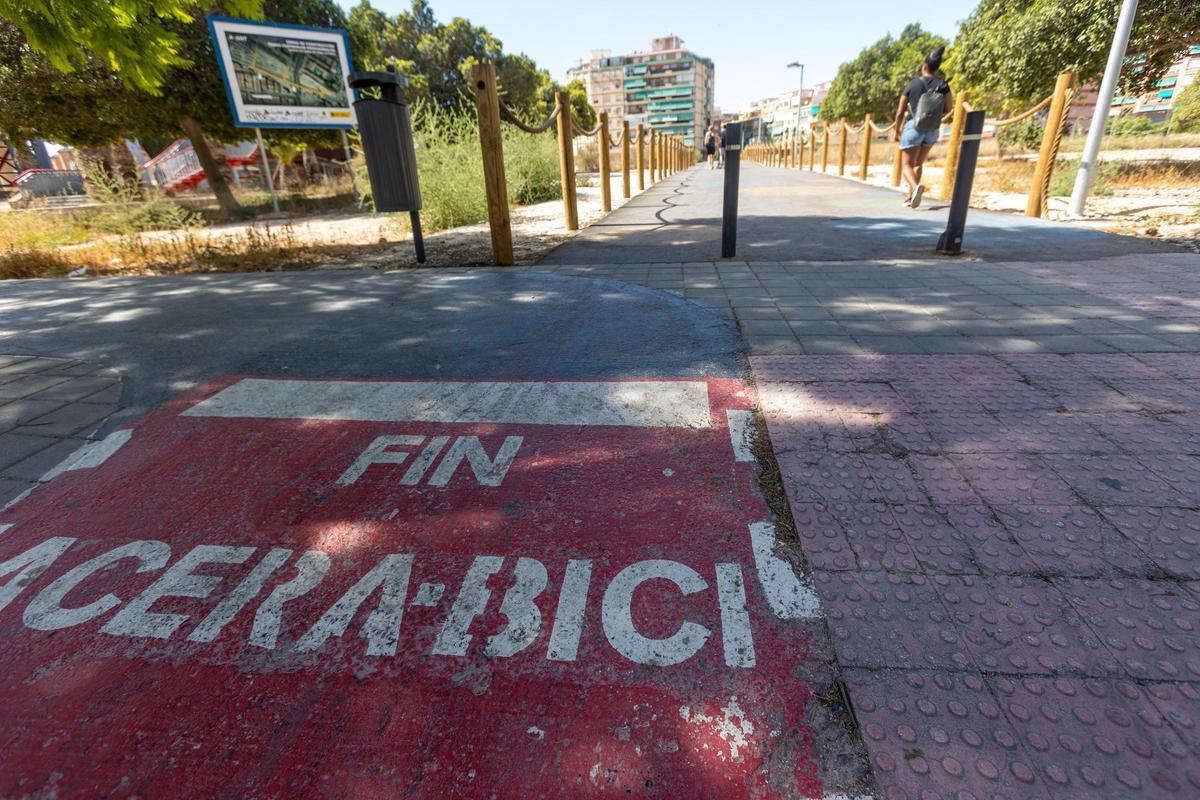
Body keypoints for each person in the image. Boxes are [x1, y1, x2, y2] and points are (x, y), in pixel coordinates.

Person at [893, 45, 952, 209]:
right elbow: (948, 108)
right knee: (918, 163)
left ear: (925, 66)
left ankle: (915, 187)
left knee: (906, 164)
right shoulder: (944, 85)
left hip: (913, 126)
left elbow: (899, 112)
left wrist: (897, 130)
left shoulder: (913, 84)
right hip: (932, 128)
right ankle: (910, 196)